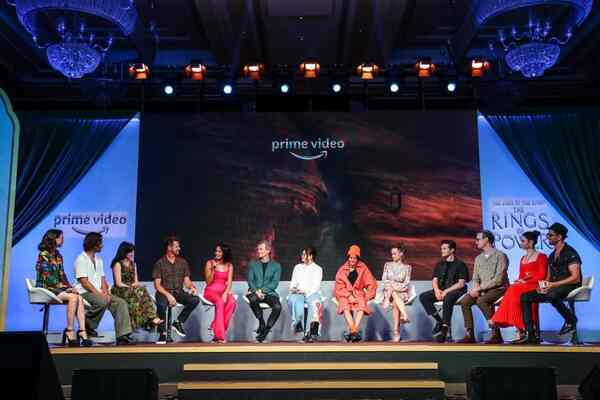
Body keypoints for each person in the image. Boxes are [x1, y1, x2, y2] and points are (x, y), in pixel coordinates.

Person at [516, 223, 582, 344]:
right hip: (555, 287)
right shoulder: (552, 255)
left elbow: (576, 278)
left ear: (560, 236)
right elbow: (549, 276)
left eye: (550, 235)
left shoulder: (570, 252)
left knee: (552, 295)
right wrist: (544, 286)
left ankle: (570, 320)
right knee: (525, 296)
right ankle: (531, 334)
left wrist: (553, 285)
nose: (548, 237)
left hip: (570, 286)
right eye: (547, 235)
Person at [75, 232, 135, 345]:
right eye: (100, 243)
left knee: (120, 303)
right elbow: (84, 282)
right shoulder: (81, 259)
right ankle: (87, 325)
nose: (102, 246)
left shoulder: (99, 260)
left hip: (97, 291)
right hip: (84, 292)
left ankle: (122, 335)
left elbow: (102, 278)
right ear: (94, 244)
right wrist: (100, 294)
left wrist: (106, 292)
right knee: (102, 301)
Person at [35, 229, 92, 347]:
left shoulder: (58, 255)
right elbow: (48, 277)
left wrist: (70, 287)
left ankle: (82, 331)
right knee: (73, 298)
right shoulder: (43, 255)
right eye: (61, 237)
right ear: (54, 239)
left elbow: (62, 275)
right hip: (47, 288)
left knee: (78, 297)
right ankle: (70, 331)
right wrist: (66, 289)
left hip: (58, 288)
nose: (63, 240)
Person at [491, 231, 547, 341]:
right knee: (514, 288)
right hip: (524, 285)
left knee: (514, 288)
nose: (520, 243)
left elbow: (542, 275)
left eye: (523, 241)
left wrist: (525, 281)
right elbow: (521, 275)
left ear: (530, 242)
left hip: (535, 285)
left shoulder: (541, 256)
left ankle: (502, 319)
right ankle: (519, 327)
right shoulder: (523, 258)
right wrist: (520, 280)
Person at [457, 231, 509, 344]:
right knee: (465, 301)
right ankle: (469, 334)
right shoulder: (478, 258)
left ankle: (495, 333)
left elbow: (498, 279)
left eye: (478, 239)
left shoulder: (500, 256)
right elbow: (475, 277)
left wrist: (479, 289)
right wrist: (475, 288)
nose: (476, 242)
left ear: (486, 240)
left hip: (498, 289)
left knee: (482, 301)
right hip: (481, 289)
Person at [419, 240, 469, 343]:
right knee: (424, 297)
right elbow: (434, 280)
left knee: (449, 297)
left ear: (452, 250)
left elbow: (461, 283)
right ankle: (439, 321)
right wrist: (437, 290)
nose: (442, 251)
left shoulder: (460, 265)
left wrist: (446, 291)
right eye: (441, 248)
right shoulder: (440, 264)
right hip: (441, 290)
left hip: (456, 290)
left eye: (444, 248)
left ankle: (444, 330)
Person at [153, 236, 200, 344]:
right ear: (169, 247)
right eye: (176, 246)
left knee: (194, 300)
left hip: (178, 292)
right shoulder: (160, 263)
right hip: (163, 292)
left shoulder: (183, 262)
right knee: (162, 305)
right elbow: (157, 285)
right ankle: (162, 333)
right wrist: (168, 295)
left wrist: (192, 287)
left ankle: (178, 322)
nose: (179, 248)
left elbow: (187, 281)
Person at [110, 242, 162, 331]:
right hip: (120, 289)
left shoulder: (133, 264)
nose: (132, 254)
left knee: (142, 290)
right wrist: (132, 288)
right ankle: (147, 321)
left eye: (133, 251)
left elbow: (136, 282)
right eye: (130, 252)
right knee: (137, 293)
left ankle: (151, 318)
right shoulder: (117, 264)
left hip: (131, 289)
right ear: (124, 252)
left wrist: (137, 286)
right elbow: (118, 283)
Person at [334, 245, 378, 343]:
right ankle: (354, 331)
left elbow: (371, 283)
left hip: (358, 293)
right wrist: (348, 295)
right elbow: (339, 287)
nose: (352, 260)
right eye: (350, 258)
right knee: (344, 304)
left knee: (362, 303)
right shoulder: (342, 269)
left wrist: (367, 296)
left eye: (354, 258)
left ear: (357, 258)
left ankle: (353, 331)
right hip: (345, 293)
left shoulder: (363, 268)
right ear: (348, 258)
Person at [246, 240, 282, 343]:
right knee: (252, 298)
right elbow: (250, 281)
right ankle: (261, 322)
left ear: (268, 250)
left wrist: (262, 291)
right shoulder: (253, 264)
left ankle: (265, 331)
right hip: (254, 292)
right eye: (258, 249)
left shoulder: (276, 266)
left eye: (261, 249)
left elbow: (274, 283)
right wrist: (256, 291)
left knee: (277, 307)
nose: (258, 251)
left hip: (269, 293)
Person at [287, 246, 323, 342]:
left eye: (304, 254)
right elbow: (293, 283)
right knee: (294, 300)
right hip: (298, 294)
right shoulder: (297, 267)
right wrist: (294, 289)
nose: (302, 256)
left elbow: (316, 287)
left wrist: (304, 291)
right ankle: (298, 324)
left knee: (315, 302)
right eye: (302, 254)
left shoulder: (318, 269)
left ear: (310, 256)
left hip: (311, 293)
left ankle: (310, 332)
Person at [203, 243, 237, 343]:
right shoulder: (209, 263)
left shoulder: (229, 265)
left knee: (232, 302)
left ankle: (215, 326)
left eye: (219, 251)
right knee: (220, 302)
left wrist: (226, 293)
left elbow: (229, 282)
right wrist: (213, 269)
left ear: (224, 253)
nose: (216, 253)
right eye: (216, 251)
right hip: (211, 291)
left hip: (223, 291)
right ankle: (220, 336)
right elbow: (208, 282)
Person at [380, 243, 412, 342]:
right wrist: (392, 287)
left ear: (401, 254)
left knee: (395, 301)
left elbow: (406, 284)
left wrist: (393, 287)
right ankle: (404, 315)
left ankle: (396, 332)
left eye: (395, 254)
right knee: (392, 292)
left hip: (400, 293)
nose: (392, 256)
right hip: (387, 292)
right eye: (392, 254)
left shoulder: (407, 267)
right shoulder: (387, 265)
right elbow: (384, 281)